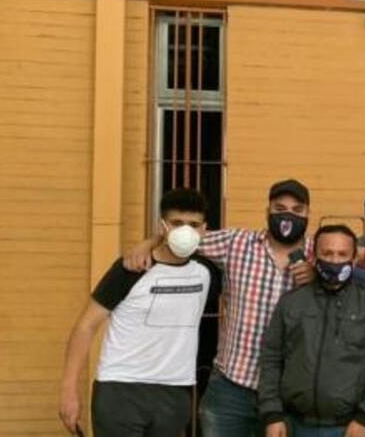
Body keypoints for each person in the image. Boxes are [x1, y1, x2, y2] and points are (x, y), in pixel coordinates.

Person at [124, 178, 316, 437]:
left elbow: (358, 259)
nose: (288, 215)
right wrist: (148, 243)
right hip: (231, 389)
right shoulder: (236, 243)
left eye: (297, 210)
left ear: (308, 214)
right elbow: (183, 237)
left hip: (289, 394)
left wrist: (318, 276)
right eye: (279, 209)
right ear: (267, 211)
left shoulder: (321, 253)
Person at [59, 189, 213, 436]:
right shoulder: (131, 268)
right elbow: (86, 326)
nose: (185, 232)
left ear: (204, 230)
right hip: (121, 389)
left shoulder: (207, 271)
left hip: (175, 392)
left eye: (194, 225)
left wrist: (150, 241)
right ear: (163, 226)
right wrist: (69, 390)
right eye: (177, 223)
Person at [258, 225, 365, 437]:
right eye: (327, 253)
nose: (334, 261)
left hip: (348, 428)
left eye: (342, 254)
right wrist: (272, 414)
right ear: (314, 258)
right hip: (293, 426)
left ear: (354, 260)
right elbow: (271, 358)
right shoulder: (291, 303)